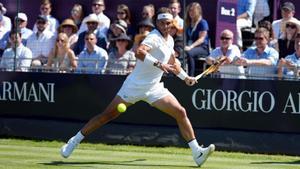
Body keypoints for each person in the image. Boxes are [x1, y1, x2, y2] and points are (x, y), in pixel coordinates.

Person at [60, 7, 215, 167]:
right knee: (106, 116)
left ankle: (197, 152)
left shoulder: (169, 40)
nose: (165, 26)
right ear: (157, 23)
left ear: (172, 23)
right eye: (162, 23)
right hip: (133, 86)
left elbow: (172, 63)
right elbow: (139, 52)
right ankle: (73, 141)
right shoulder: (153, 37)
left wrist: (185, 78)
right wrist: (158, 64)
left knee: (180, 112)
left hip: (154, 88)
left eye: (168, 23)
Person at [184, 2, 210, 76]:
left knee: (189, 52)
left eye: (193, 10)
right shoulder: (189, 23)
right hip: (190, 46)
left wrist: (191, 47)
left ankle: (190, 76)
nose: (191, 12)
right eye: (190, 10)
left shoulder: (203, 23)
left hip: (203, 48)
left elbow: (201, 39)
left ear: (198, 11)